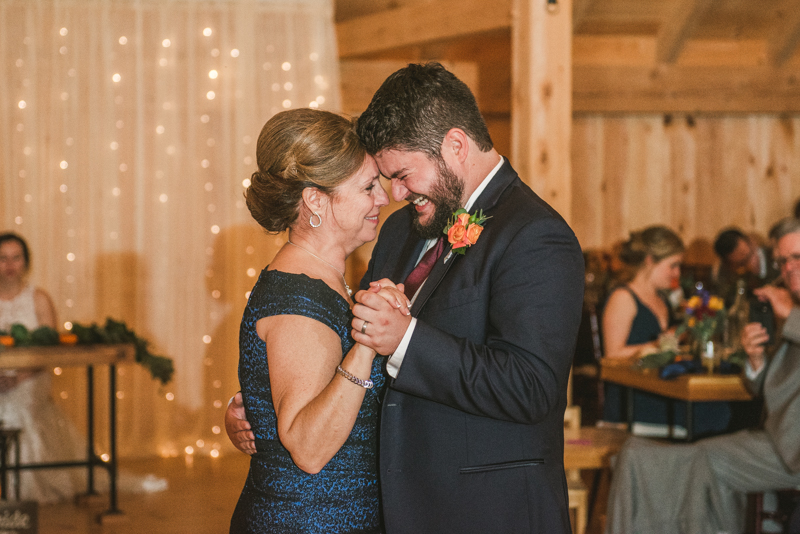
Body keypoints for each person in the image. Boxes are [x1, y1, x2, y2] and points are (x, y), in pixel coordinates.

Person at [228, 62, 584, 533]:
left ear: (455, 146)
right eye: (381, 180)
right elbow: (340, 348)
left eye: (401, 174)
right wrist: (264, 407)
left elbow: (531, 388)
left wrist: (407, 340)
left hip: (486, 512)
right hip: (395, 509)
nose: (394, 194)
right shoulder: (401, 231)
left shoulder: (535, 235)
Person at [229, 108, 392, 533]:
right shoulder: (298, 296)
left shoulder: (321, 280)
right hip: (310, 520)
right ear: (315, 200)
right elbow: (308, 447)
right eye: (368, 187)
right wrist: (369, 342)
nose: (383, 198)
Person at [605, 217, 800, 534]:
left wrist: (790, 317)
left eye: (797, 258)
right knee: (690, 455)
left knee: (701, 454)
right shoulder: (789, 307)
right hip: (776, 436)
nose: (789, 268)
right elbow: (767, 385)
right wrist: (756, 359)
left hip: (790, 446)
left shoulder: (790, 312)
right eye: (782, 260)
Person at [601, 226, 730, 438]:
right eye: (673, 265)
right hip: (635, 397)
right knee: (711, 416)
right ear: (650, 260)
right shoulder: (623, 297)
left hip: (663, 391)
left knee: (720, 410)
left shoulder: (662, 299)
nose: (677, 273)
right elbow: (612, 355)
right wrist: (661, 343)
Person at [0, 232, 87, 502]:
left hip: (30, 379)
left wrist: (17, 378)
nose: (10, 265)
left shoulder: (39, 299)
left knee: (12, 410)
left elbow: (50, 353)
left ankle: (17, 494)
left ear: (26, 262)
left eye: (16, 258)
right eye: (2, 258)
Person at [713, 227, 779, 304]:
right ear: (729, 265)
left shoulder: (776, 258)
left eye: (750, 256)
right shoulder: (728, 276)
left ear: (752, 243)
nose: (750, 264)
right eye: (742, 264)